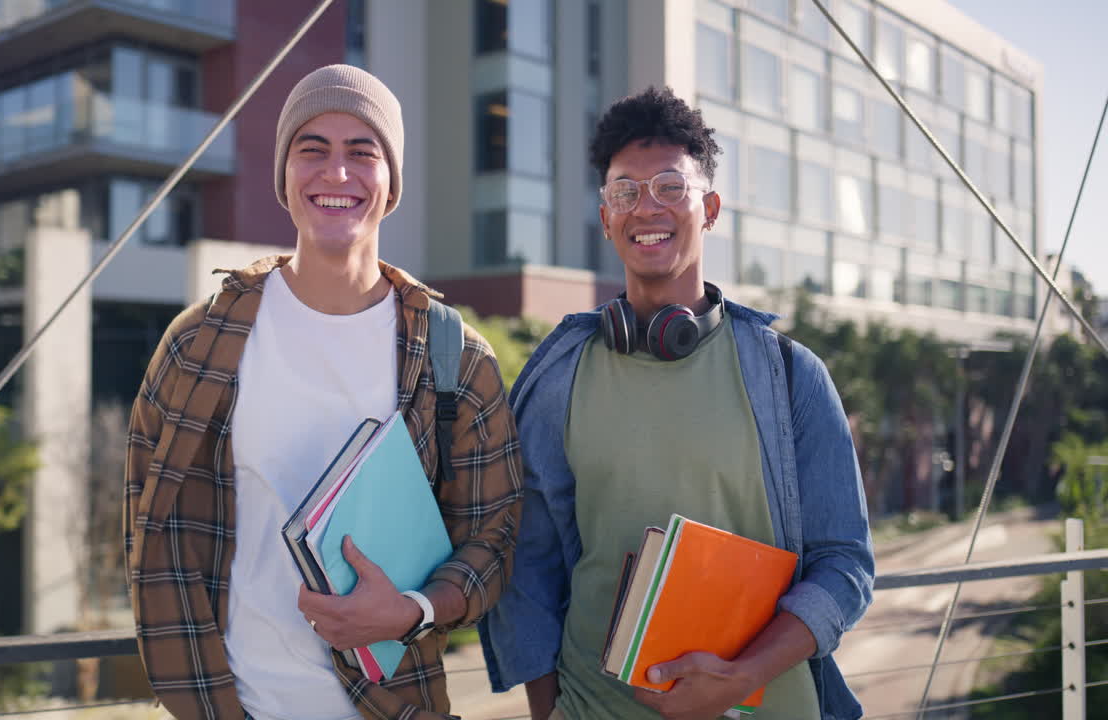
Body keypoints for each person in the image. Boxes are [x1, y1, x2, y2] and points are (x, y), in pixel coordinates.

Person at [124, 65, 524, 720]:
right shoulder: (199, 342)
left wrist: (414, 610)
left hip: (396, 706)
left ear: (391, 182)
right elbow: (147, 520)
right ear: (284, 176)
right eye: (312, 149)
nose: (336, 175)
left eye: (362, 152)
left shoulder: (455, 356)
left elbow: (496, 533)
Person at [479, 86, 875, 720]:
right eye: (624, 192)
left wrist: (741, 675)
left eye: (670, 187)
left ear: (710, 208)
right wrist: (551, 711)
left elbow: (845, 567)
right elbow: (529, 563)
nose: (646, 208)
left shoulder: (792, 376)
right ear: (606, 217)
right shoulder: (559, 377)